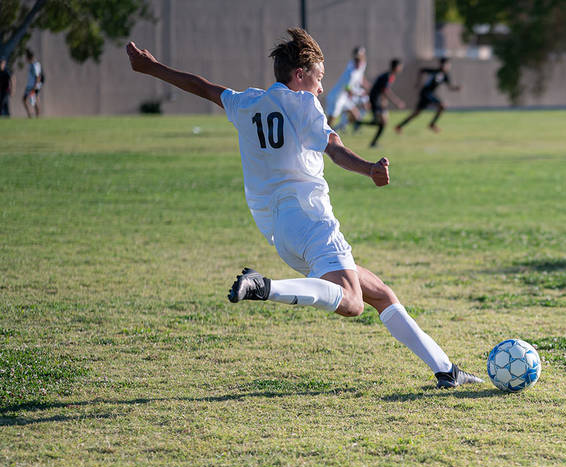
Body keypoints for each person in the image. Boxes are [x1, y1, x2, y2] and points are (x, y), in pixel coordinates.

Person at [124, 29, 482, 389]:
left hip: (278, 231)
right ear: (300, 75)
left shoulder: (247, 102)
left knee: (380, 294)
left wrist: (152, 68)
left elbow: (204, 87)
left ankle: (446, 371)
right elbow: (334, 146)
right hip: (310, 220)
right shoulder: (303, 104)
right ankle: (266, 287)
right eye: (319, 78)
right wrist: (369, 168)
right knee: (354, 301)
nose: (322, 88)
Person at [394, 57, 460, 135]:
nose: (448, 66)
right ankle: (432, 124)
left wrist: (456, 88)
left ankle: (399, 126)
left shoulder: (445, 75)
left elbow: (449, 87)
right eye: (447, 64)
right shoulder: (435, 71)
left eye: (449, 65)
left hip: (429, 94)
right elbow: (421, 70)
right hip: (425, 93)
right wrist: (418, 82)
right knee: (442, 106)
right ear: (442, 64)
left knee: (416, 113)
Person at [362, 59, 407, 148]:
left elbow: (381, 89)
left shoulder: (388, 75)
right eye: (400, 67)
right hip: (375, 100)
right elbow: (385, 91)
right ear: (396, 67)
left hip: (376, 99)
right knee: (382, 122)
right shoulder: (388, 76)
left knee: (382, 122)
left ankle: (372, 141)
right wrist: (396, 102)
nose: (401, 69)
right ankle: (359, 125)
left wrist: (383, 100)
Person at [325, 46, 367, 132]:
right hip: (337, 98)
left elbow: (360, 79)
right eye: (357, 60)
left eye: (361, 60)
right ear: (354, 61)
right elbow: (347, 88)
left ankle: (336, 129)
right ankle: (323, 136)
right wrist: (358, 93)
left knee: (355, 116)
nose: (359, 62)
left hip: (344, 97)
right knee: (330, 122)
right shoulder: (351, 72)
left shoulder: (361, 67)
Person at [22, 50, 42, 118]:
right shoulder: (31, 64)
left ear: (29, 58)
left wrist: (35, 86)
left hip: (33, 86)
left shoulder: (35, 65)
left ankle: (37, 116)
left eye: (26, 58)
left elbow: (38, 76)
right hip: (29, 86)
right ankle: (30, 115)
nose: (26, 59)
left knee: (34, 101)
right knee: (25, 100)